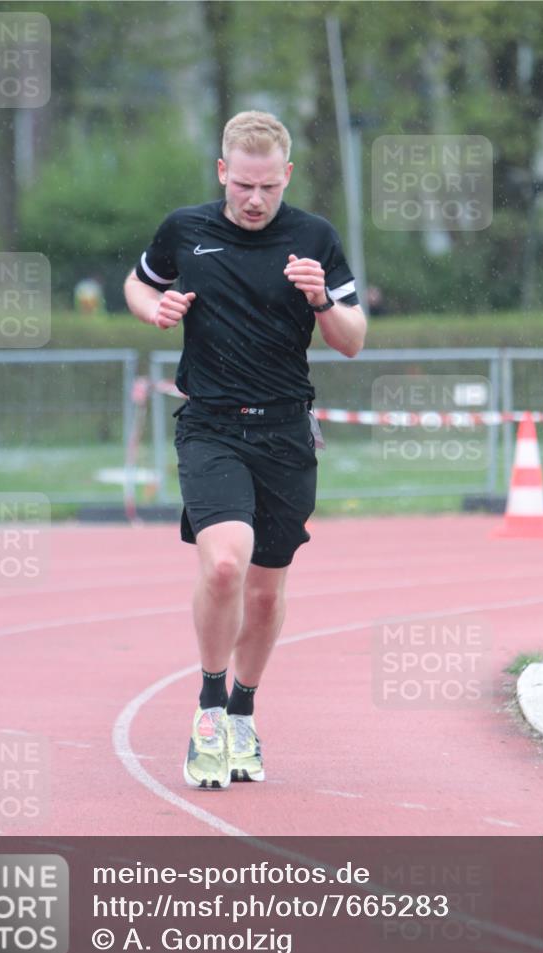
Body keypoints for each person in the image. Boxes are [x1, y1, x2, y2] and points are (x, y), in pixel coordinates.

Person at [124, 110, 366, 790]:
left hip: (286, 432)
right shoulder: (185, 230)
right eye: (243, 186)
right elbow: (140, 281)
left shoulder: (314, 237)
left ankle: (242, 712)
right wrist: (153, 309)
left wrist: (322, 300)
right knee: (224, 567)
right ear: (223, 173)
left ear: (285, 175)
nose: (254, 200)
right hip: (211, 427)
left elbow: (352, 339)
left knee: (264, 593)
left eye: (267, 187)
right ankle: (207, 704)